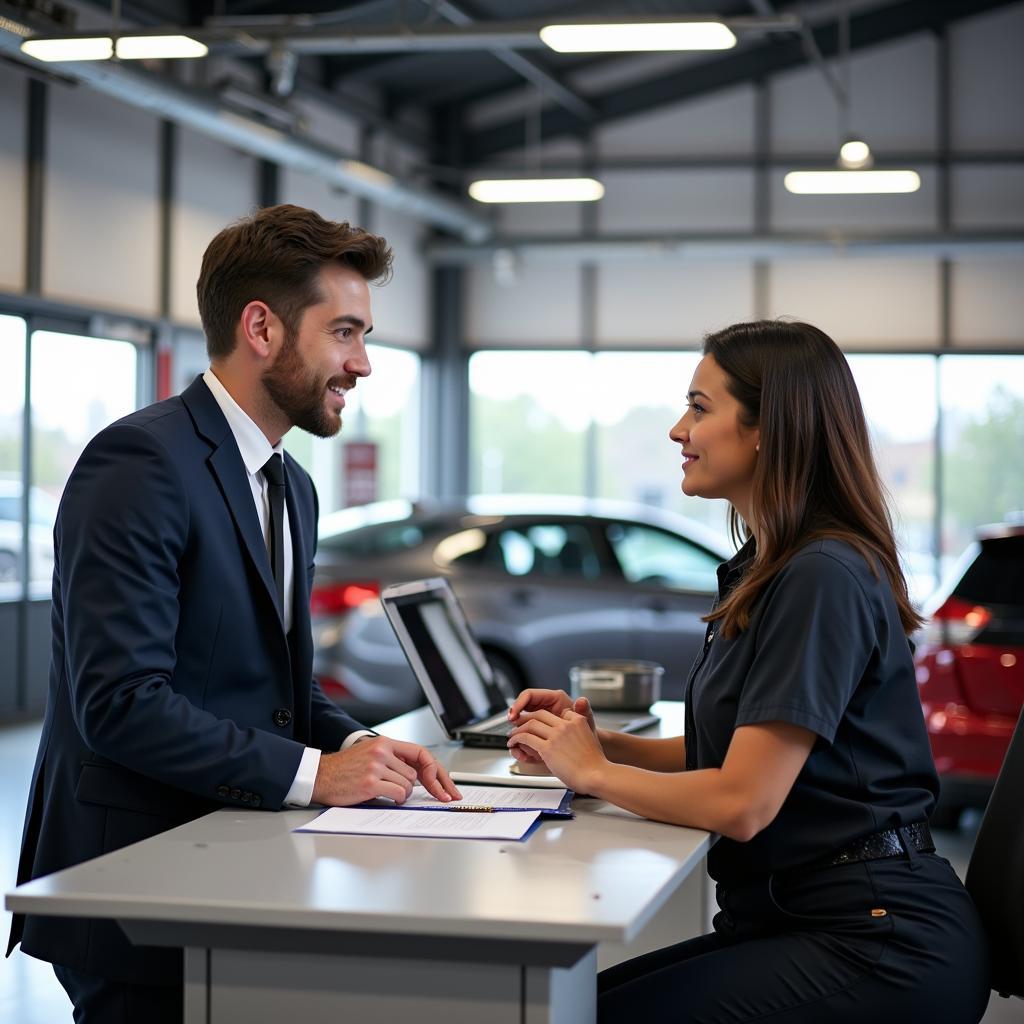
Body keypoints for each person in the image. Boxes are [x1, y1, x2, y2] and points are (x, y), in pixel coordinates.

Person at [8, 204, 460, 1023]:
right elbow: (119, 704)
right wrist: (319, 774)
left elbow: (274, 685)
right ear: (262, 328)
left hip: (235, 861)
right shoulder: (141, 462)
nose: (362, 364)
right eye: (346, 332)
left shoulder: (294, 485)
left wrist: (360, 744)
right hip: (135, 885)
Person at [507, 320, 991, 1023]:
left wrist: (595, 776)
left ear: (770, 428)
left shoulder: (820, 576)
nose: (679, 430)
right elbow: (735, 758)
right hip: (809, 917)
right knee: (571, 1007)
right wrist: (588, 745)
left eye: (700, 408)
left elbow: (744, 801)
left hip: (880, 942)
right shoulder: (773, 568)